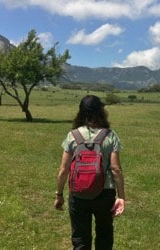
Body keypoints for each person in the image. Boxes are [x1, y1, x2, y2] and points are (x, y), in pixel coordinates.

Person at [55, 95, 126, 250]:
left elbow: (64, 170)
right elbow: (116, 169)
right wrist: (121, 196)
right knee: (104, 235)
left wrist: (59, 194)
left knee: (80, 238)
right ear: (101, 111)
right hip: (105, 193)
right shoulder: (110, 135)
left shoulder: (72, 136)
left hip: (78, 194)